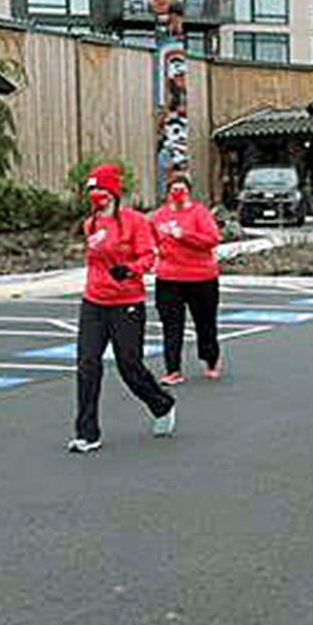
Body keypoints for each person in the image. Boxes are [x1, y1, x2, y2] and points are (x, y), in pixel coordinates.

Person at [70, 164, 176, 453]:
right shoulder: (90, 224)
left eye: (101, 189)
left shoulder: (135, 222)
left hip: (126, 303)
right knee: (87, 365)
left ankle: (161, 403)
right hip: (94, 301)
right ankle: (87, 433)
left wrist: (129, 270)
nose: (96, 195)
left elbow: (149, 257)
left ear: (114, 192)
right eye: (92, 190)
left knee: (129, 366)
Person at [149, 170, 223, 386]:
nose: (178, 193)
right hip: (169, 278)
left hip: (201, 277)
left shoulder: (200, 213)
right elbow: (151, 240)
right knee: (171, 325)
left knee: (205, 323)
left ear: (189, 192)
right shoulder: (159, 216)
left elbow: (212, 239)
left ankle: (211, 359)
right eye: (174, 189)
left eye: (182, 189)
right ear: (168, 192)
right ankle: (173, 369)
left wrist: (185, 235)